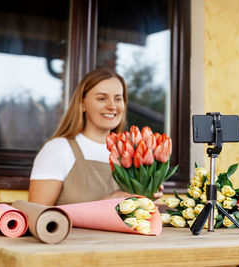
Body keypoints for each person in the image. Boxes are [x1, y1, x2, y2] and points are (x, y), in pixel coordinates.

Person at [28, 68, 162, 206]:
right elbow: (38, 215)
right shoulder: (58, 149)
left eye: (118, 99)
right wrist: (106, 203)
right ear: (82, 104)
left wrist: (148, 196)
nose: (112, 106)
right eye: (102, 98)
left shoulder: (131, 154)